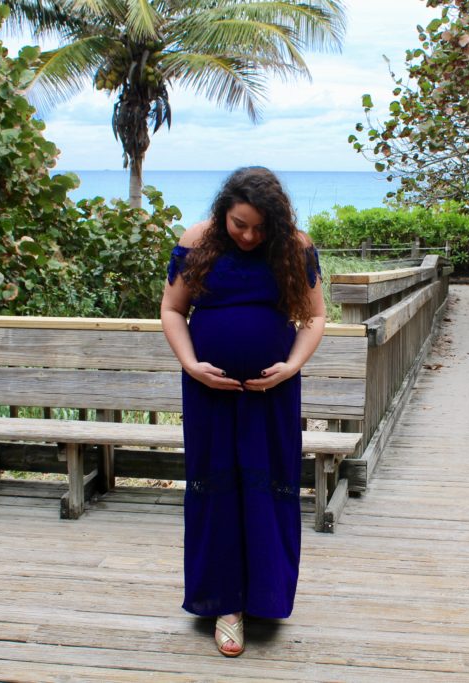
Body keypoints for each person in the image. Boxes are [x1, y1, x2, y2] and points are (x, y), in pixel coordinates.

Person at [160, 167, 326, 657]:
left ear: (274, 220)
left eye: (259, 227)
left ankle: (265, 597)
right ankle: (224, 605)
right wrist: (191, 365)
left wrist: (290, 366)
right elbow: (173, 309)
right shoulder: (198, 241)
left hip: (271, 393)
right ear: (223, 213)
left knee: (268, 486)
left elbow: (315, 316)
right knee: (216, 490)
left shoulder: (293, 245)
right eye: (239, 224)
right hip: (209, 392)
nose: (249, 236)